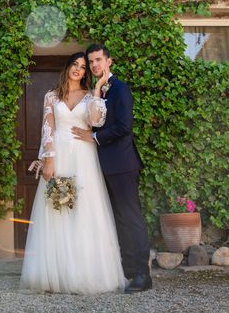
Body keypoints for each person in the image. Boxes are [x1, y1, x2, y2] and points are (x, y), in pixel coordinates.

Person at [20, 52, 127, 294]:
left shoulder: (90, 96)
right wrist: (48, 159)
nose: (78, 69)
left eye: (82, 66)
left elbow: (97, 121)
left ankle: (84, 274)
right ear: (68, 67)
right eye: (75, 64)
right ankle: (59, 274)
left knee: (83, 212)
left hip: (83, 158)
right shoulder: (52, 95)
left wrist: (99, 88)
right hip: (59, 156)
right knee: (58, 211)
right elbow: (48, 128)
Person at [72, 43, 152, 293]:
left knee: (131, 218)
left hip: (123, 164)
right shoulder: (97, 90)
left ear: (109, 62)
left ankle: (142, 274)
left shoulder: (120, 89)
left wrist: (94, 138)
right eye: (91, 61)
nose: (94, 65)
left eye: (98, 60)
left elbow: (124, 127)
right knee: (119, 220)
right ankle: (128, 271)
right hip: (104, 166)